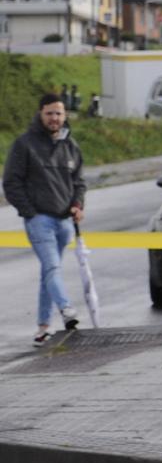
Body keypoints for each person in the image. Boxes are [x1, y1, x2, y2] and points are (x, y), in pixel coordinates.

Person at [4, 93, 87, 346]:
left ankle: (42, 328)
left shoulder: (71, 146)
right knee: (52, 267)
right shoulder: (25, 144)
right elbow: (11, 182)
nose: (54, 118)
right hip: (39, 220)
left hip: (64, 222)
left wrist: (77, 204)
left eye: (59, 113)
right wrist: (30, 212)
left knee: (48, 274)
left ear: (65, 116)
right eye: (49, 113)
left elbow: (79, 182)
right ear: (41, 113)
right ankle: (67, 309)